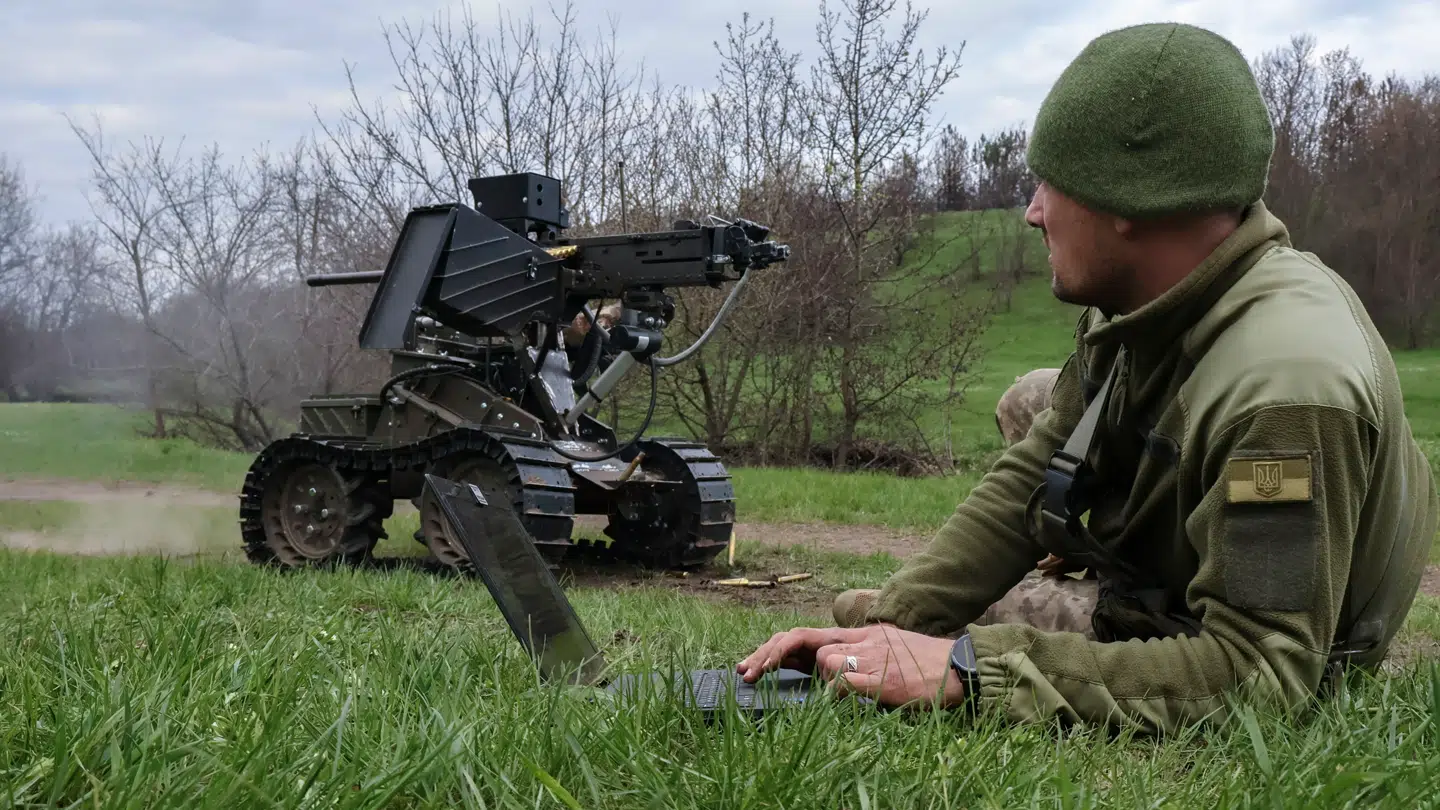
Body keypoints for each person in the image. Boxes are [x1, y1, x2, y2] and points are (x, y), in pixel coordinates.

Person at [736, 21, 1438, 733]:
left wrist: (973, 671)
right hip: (1185, 542)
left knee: (949, 645)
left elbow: (1263, 673)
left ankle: (1109, 602)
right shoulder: (1144, 305)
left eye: (1051, 184)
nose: (1032, 212)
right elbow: (1035, 470)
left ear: (1132, 203)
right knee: (869, 614)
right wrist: (894, 622)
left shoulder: (1288, 391)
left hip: (1254, 635)